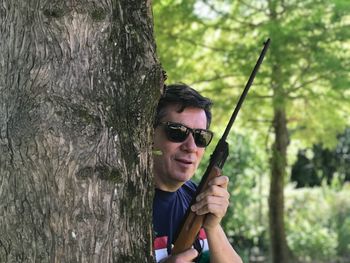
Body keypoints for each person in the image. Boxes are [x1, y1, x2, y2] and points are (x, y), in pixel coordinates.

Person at [152, 83, 242, 263]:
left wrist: (213, 226)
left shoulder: (198, 197)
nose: (191, 147)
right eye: (177, 132)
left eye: (200, 136)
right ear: (149, 134)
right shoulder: (122, 202)